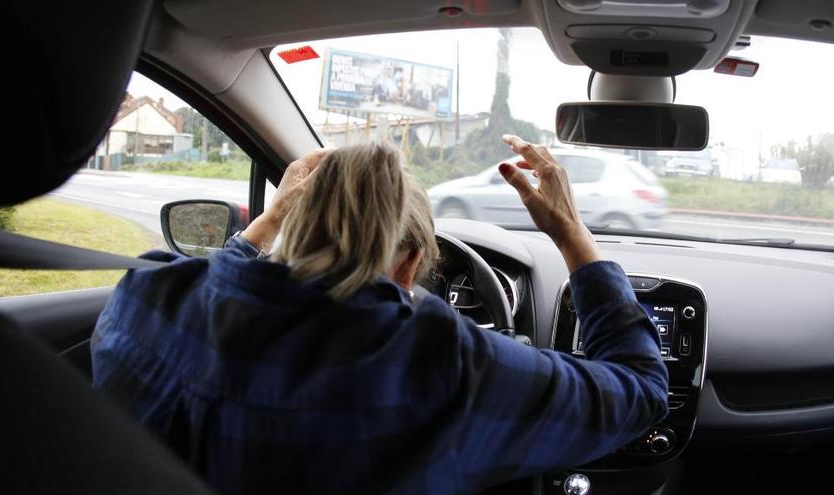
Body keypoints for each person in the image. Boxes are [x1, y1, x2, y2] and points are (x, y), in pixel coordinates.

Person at [91, 136, 668, 494]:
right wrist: (570, 233)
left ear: (289, 227)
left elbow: (220, 286)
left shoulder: (144, 297)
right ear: (411, 265)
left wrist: (266, 225)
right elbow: (640, 390)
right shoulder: (440, 365)